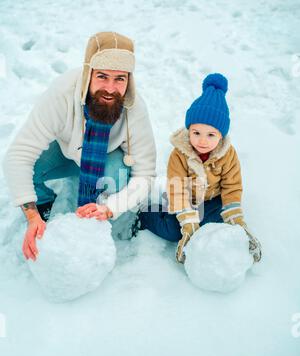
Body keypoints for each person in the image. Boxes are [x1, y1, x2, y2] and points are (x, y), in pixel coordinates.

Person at [3, 31, 156, 261]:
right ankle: (44, 204)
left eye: (120, 79)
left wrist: (111, 207)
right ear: (88, 73)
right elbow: (18, 156)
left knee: (119, 176)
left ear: (129, 79)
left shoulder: (134, 109)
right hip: (67, 152)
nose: (111, 88)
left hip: (107, 160)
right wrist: (32, 215)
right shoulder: (62, 93)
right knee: (30, 168)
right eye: (102, 76)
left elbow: (145, 175)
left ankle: (105, 220)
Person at [139, 73, 261, 263]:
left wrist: (235, 219)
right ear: (189, 131)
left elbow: (232, 186)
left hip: (213, 200)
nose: (202, 140)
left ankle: (212, 224)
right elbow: (177, 189)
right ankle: (146, 214)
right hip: (184, 199)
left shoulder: (228, 155)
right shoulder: (179, 155)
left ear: (221, 136)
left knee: (219, 223)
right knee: (173, 231)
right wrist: (187, 221)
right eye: (196, 133)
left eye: (211, 135)